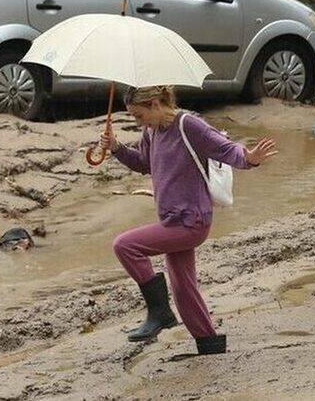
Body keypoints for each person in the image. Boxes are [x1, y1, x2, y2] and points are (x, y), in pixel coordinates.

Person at [97, 85, 277, 354]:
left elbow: (225, 149)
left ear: (156, 104)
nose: (138, 121)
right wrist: (116, 148)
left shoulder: (188, 125)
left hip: (191, 222)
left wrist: (250, 158)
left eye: (139, 115)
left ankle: (159, 312)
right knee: (183, 288)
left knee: (125, 245)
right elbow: (144, 163)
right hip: (171, 220)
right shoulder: (151, 131)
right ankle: (209, 343)